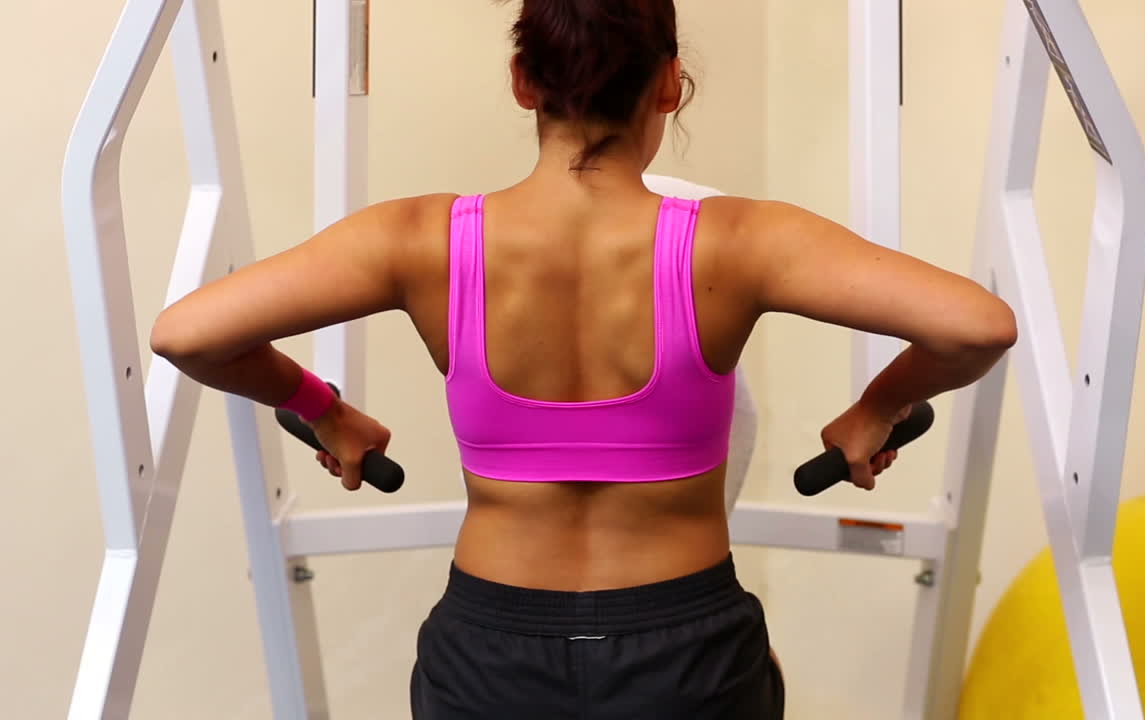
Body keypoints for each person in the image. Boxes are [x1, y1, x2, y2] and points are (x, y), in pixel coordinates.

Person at [150, 0, 1017, 716]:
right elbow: (975, 325)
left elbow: (188, 334)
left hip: (491, 651)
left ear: (524, 81)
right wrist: (877, 408)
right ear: (672, 86)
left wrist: (322, 409)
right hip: (686, 653)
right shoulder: (741, 242)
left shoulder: (419, 240)